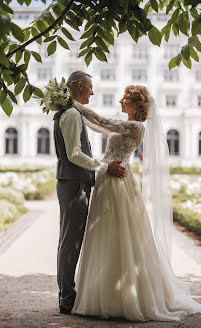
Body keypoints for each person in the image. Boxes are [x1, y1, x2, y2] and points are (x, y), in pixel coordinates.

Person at [69, 85, 201, 321]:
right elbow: (99, 126)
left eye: (125, 98)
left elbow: (102, 120)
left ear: (134, 104)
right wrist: (78, 118)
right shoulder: (126, 125)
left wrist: (73, 104)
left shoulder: (135, 126)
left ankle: (123, 297)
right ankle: (106, 292)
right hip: (108, 176)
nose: (120, 100)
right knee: (104, 233)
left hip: (117, 181)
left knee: (117, 233)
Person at [53, 71, 126, 315]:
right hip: (74, 184)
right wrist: (104, 166)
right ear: (81, 86)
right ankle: (66, 297)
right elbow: (74, 154)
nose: (93, 93)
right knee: (70, 242)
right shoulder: (72, 115)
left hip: (71, 182)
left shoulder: (70, 113)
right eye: (91, 88)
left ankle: (67, 294)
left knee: (69, 240)